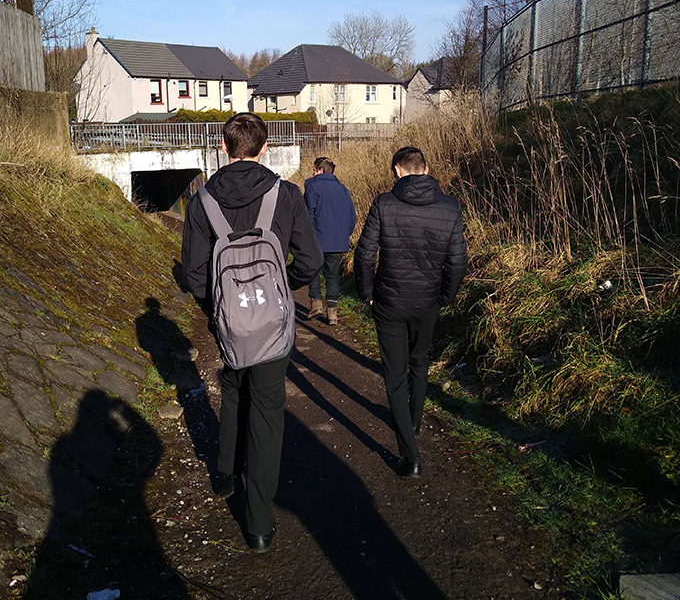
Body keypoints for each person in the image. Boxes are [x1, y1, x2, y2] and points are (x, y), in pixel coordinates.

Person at [181, 113, 322, 552]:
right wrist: (284, 288)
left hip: (229, 323)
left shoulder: (200, 202)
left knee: (232, 389)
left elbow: (193, 274)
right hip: (274, 328)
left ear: (223, 148)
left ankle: (225, 471)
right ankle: (258, 524)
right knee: (266, 411)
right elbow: (312, 262)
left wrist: (217, 312)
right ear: (266, 149)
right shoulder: (287, 195)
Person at [354, 146, 467, 478]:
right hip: (427, 302)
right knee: (419, 363)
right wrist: (445, 296)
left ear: (396, 171)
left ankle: (410, 454)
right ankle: (413, 425)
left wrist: (367, 294)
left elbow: (364, 255)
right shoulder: (450, 206)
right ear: (426, 168)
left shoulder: (383, 203)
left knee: (394, 374)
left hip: (389, 302)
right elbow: (457, 261)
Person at [304, 156, 357, 326]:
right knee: (332, 275)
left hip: (317, 239)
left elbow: (308, 215)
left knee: (312, 270)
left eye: (314, 170)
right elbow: (352, 218)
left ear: (319, 170)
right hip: (337, 240)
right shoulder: (343, 190)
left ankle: (316, 303)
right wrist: (345, 234)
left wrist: (307, 236)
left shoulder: (312, 187)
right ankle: (332, 312)